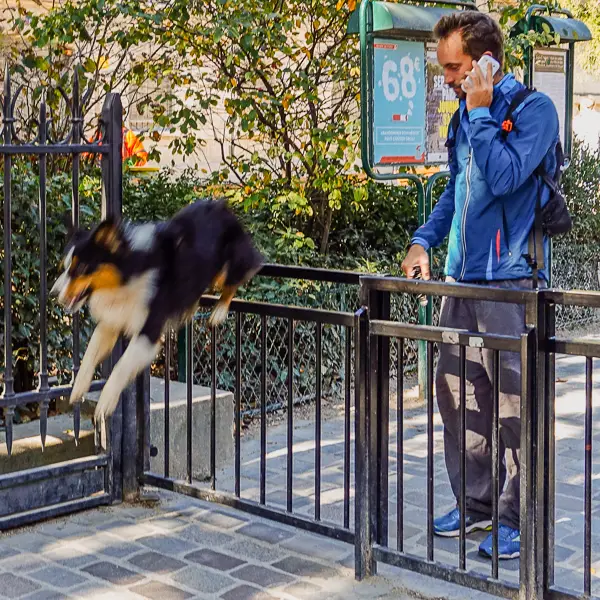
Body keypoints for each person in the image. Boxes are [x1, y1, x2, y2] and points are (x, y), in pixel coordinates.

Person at [401, 12, 560, 560]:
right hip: (460, 281)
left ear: (486, 61)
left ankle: (518, 517)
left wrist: (482, 110)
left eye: (455, 66)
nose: (446, 77)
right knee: (458, 397)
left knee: (514, 407)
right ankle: (477, 505)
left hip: (511, 282)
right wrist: (424, 240)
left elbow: (506, 177)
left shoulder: (534, 110)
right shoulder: (467, 116)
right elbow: (457, 191)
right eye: (445, 68)